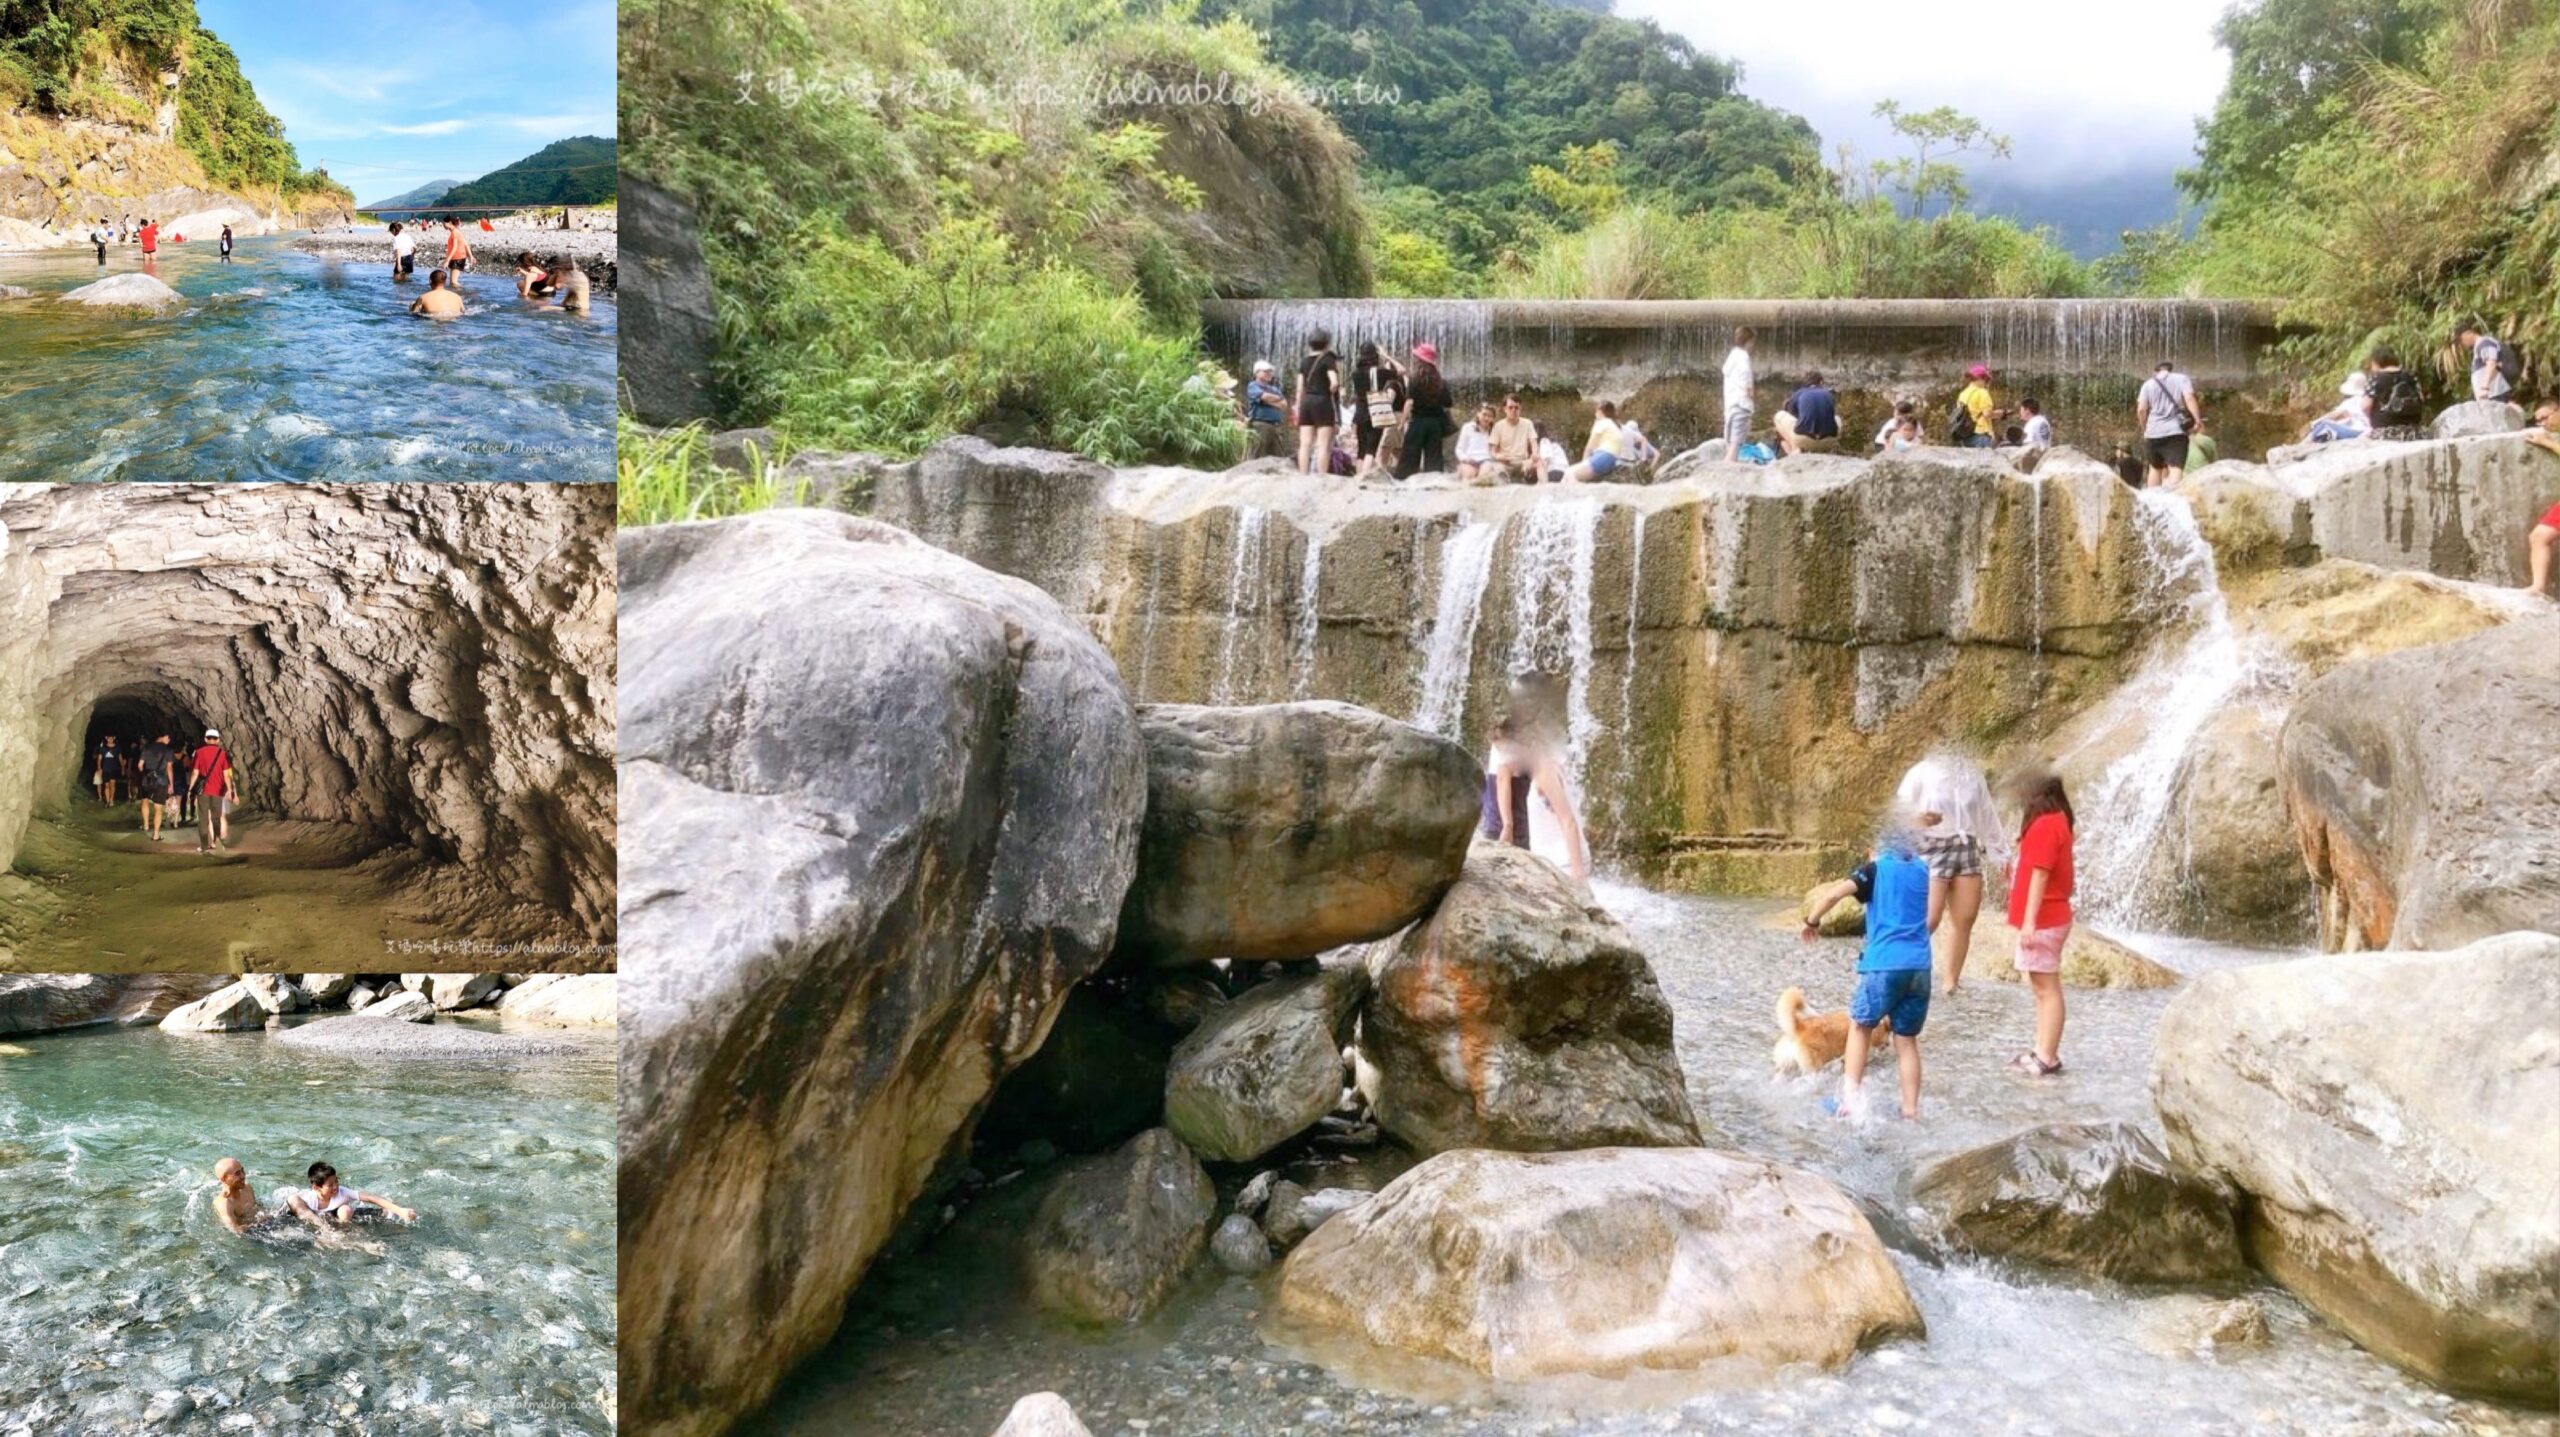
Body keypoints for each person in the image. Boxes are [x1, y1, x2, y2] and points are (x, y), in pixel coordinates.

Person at [1836, 822, 1940, 1121]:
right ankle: (1910, 1110)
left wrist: (1812, 920)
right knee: (1906, 1040)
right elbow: (1931, 918)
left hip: (1884, 964)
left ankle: (1850, 1102)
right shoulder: (1922, 869)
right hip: (1920, 966)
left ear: (1878, 847)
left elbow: (1834, 895)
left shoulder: (1875, 870)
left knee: (1861, 1026)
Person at [1895, 753, 2004, 994]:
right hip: (1932, 846)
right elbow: (1898, 816)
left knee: (1964, 918)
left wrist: (2000, 852)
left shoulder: (1971, 773)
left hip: (1966, 846)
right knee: (1928, 920)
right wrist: (1920, 820)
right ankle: (1902, 973)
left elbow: (1987, 813)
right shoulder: (1920, 772)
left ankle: (1951, 983)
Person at [1482, 674, 1590, 883]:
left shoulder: (1543, 767)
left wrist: (1578, 874)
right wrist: (1508, 825)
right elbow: (1504, 772)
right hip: (1547, 860)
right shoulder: (1528, 760)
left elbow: (1568, 821)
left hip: (1563, 864)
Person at [2006, 771, 2076, 1076]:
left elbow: (2041, 873)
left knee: (2046, 989)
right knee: (2042, 987)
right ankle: (2042, 1049)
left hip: (2045, 918)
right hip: (2048, 916)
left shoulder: (2046, 825)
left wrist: (2029, 923)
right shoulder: (2056, 821)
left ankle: (2046, 1056)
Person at [2135, 360, 2201, 486]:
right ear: (2170, 370)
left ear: (2156, 371)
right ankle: (2173, 502)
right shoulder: (2182, 379)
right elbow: (2189, 398)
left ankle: (2151, 502)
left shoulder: (2148, 384)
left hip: (2153, 433)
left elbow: (2141, 410)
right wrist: (2197, 419)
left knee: (2154, 469)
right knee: (2175, 469)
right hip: (2175, 432)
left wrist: (2144, 428)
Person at [1396, 343, 1453, 479]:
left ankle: (1404, 483)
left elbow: (1409, 403)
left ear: (1420, 360)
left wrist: (1402, 422)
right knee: (1434, 460)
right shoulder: (1441, 381)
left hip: (1418, 422)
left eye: (1416, 357)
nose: (1415, 360)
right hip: (1435, 425)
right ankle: (1433, 484)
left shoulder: (1414, 378)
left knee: (1409, 457)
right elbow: (1448, 404)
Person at [1349, 344, 1404, 477]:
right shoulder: (1380, 372)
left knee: (1361, 451)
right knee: (1370, 450)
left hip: (1359, 413)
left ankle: (1357, 478)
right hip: (1375, 412)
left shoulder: (1355, 373)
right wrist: (1386, 356)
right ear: (1375, 355)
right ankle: (1364, 478)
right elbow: (1402, 370)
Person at [1292, 330, 1342, 476]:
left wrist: (1297, 405)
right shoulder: (1328, 360)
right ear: (1326, 343)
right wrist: (1331, 392)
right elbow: (1334, 383)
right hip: (1322, 401)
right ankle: (1321, 476)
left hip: (1307, 402)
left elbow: (1299, 388)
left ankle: (1302, 474)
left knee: (1305, 443)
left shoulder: (1304, 361)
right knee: (1323, 444)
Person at [188, 727, 236, 853]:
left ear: (205, 739)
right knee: (216, 818)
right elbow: (226, 775)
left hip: (203, 791)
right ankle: (216, 842)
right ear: (218, 740)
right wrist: (230, 790)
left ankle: (204, 845)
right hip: (218, 791)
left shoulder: (199, 752)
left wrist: (190, 788)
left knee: (203, 819)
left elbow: (195, 772)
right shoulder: (222, 754)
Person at [1775, 370, 1841, 455]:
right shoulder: (1829, 395)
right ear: (1821, 382)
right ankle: (1828, 450)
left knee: (1778, 416)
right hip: (1828, 440)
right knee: (1837, 418)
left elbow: (1789, 413)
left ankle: (1795, 449)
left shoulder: (1800, 393)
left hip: (1804, 439)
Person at [2365, 350, 2425, 439]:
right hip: (2414, 430)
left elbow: (2365, 406)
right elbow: (2421, 399)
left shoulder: (2376, 378)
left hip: (2384, 432)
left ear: (2376, 362)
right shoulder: (2411, 375)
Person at [1566, 399, 1628, 482]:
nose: (1595, 413)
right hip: (1611, 460)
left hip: (1603, 457)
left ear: (1600, 411)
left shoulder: (1601, 423)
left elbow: (1589, 448)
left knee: (1569, 473)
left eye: (1596, 410)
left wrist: (1583, 463)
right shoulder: (1614, 425)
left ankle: (1578, 494)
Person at [2306, 372, 2372, 443]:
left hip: (2357, 431)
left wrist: (2315, 422)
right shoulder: (2366, 399)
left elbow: (2336, 414)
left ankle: (2309, 442)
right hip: (2366, 429)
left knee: (2324, 426)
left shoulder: (2351, 402)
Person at [1244, 359, 1289, 460]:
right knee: (1258, 453)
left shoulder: (1274, 388)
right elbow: (1265, 397)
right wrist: (1276, 399)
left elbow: (1284, 404)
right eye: (1266, 371)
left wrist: (1266, 400)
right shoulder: (1253, 386)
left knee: (1278, 456)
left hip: (1275, 426)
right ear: (1257, 372)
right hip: (1260, 424)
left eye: (1270, 371)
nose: (1269, 374)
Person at [1721, 327, 1756, 452]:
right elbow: (1746, 379)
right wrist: (1752, 395)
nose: (1753, 346)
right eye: (1752, 342)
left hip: (1730, 407)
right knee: (1735, 448)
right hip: (1742, 406)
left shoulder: (1732, 356)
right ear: (1748, 341)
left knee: (1730, 445)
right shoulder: (1743, 357)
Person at [137, 730, 175, 842]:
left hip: (146, 779)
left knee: (144, 801)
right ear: (165, 736)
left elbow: (140, 765)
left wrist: (146, 773)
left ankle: (145, 825)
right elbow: (169, 768)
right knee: (158, 807)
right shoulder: (168, 750)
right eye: (169, 738)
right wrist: (171, 784)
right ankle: (156, 835)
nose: (169, 741)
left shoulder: (147, 747)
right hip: (161, 780)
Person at [1489, 395, 1537, 480]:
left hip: (1523, 462)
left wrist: (1534, 454)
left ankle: (1543, 489)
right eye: (1510, 407)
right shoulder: (1498, 426)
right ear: (1505, 409)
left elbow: (1534, 443)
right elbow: (1492, 451)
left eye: (1516, 407)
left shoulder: (1527, 423)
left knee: (1540, 463)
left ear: (1520, 409)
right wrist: (1498, 456)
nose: (1513, 410)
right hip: (1505, 463)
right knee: (1496, 468)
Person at [2459, 323, 2511, 402]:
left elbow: (2491, 363)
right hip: (2490, 394)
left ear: (2468, 334)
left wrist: (2485, 387)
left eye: (2461, 339)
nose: (2461, 343)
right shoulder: (2479, 345)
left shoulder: (2484, 343)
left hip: (2494, 392)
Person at [213, 1159, 263, 1236]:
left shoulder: (247, 1188)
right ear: (224, 1179)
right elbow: (235, 1230)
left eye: (242, 1170)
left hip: (263, 1226)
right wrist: (257, 1225)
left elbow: (258, 1208)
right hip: (253, 1236)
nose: (243, 1176)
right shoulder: (224, 1204)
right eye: (237, 1174)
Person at [1955, 365, 1996, 448]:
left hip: (1966, 435)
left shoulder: (1962, 394)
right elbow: (1987, 414)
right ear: (1980, 378)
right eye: (1986, 380)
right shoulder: (1982, 392)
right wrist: (2000, 414)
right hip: (1981, 434)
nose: (1986, 383)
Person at [1454, 403, 1497, 482]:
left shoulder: (1494, 430)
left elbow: (1494, 451)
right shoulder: (1468, 427)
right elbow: (1459, 449)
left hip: (1486, 461)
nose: (1486, 418)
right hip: (1469, 460)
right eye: (1484, 415)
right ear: (1478, 414)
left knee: (1484, 478)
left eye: (1490, 416)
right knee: (1468, 476)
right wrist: (1465, 459)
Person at [92, 735, 123, 806]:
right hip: (105, 769)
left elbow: (120, 758)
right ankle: (108, 801)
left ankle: (111, 799)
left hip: (114, 769)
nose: (110, 740)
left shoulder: (117, 748)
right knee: (106, 785)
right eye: (108, 738)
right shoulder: (103, 748)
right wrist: (99, 768)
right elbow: (99, 759)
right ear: (106, 738)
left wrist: (122, 768)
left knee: (112, 784)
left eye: (111, 738)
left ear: (114, 738)